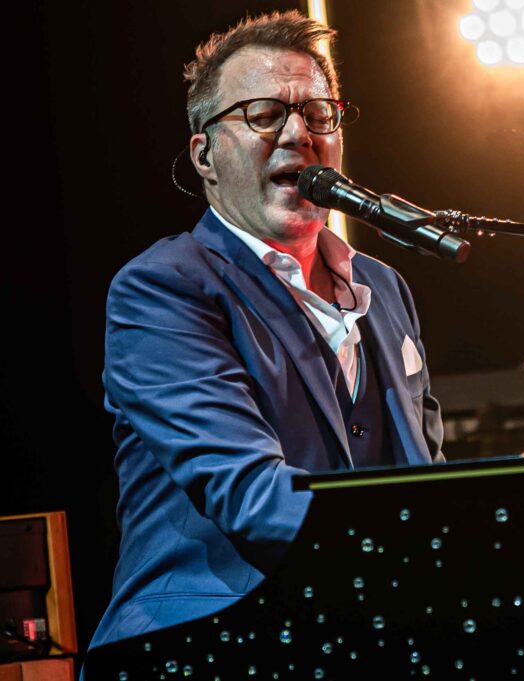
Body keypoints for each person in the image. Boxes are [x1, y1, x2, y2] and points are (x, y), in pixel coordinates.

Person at [89, 11, 443, 650]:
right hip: (203, 645)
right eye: (264, 115)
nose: (299, 134)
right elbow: (249, 493)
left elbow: (429, 472)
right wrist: (423, 550)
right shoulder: (162, 288)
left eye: (318, 114)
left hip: (369, 636)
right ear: (204, 155)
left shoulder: (385, 287)